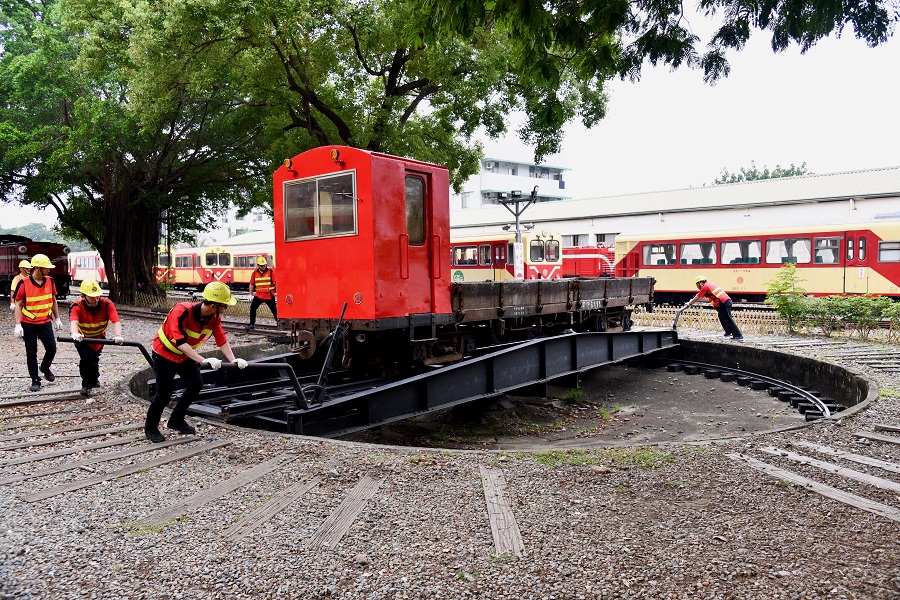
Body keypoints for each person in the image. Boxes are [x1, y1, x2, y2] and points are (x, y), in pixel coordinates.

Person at [145, 281, 248, 443]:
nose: (225, 309)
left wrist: (234, 360)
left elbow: (221, 340)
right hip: (164, 353)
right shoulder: (182, 310)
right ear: (214, 305)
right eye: (224, 306)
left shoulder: (214, 319)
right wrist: (203, 360)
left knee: (195, 384)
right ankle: (150, 428)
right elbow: (180, 342)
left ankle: (176, 420)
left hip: (184, 355)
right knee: (164, 393)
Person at [13, 254, 63, 392]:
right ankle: (35, 379)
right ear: (37, 268)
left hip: (45, 321)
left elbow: (53, 300)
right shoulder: (23, 283)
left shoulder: (50, 281)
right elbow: (18, 304)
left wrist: (57, 317)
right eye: (46, 268)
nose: (49, 270)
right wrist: (18, 325)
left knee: (52, 348)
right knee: (31, 351)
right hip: (28, 323)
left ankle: (45, 367)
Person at [69, 279, 123, 396]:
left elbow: (116, 321)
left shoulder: (107, 304)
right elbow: (74, 322)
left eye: (97, 296)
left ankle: (94, 378)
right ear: (83, 296)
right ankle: (86, 385)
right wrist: (74, 334)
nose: (96, 299)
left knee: (94, 358)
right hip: (82, 338)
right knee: (86, 359)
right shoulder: (76, 306)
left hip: (98, 337)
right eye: (92, 297)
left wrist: (118, 335)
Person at [684, 275, 744, 341]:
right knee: (721, 316)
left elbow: (698, 297)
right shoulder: (709, 285)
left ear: (700, 283)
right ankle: (728, 331)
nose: (697, 287)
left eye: (697, 285)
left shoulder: (705, 287)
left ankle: (738, 335)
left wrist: (689, 303)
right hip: (725, 301)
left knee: (728, 318)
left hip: (724, 302)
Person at [246, 255, 276, 330]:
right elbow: (252, 284)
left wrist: (276, 292)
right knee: (253, 308)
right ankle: (252, 323)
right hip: (259, 295)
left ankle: (279, 323)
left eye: (264, 265)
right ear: (258, 265)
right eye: (262, 265)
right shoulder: (254, 273)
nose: (263, 267)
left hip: (269, 294)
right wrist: (250, 294)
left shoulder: (271, 272)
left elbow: (276, 283)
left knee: (274, 310)